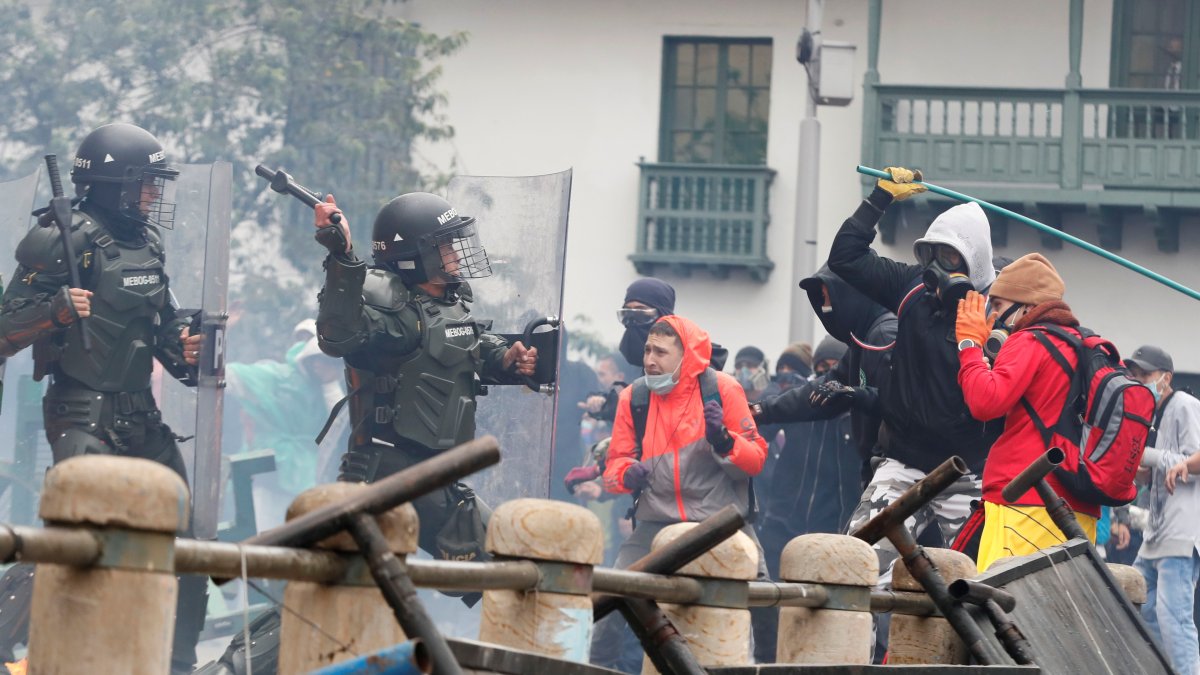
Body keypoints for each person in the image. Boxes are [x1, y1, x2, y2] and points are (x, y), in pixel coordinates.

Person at [0, 123, 206, 673]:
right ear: (115, 182)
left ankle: (180, 665)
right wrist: (55, 310)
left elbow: (158, 330)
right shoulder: (61, 237)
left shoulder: (149, 242)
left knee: (187, 548)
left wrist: (183, 347)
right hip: (80, 411)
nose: (153, 195)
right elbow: (2, 327)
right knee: (76, 539)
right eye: (145, 184)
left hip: (143, 415)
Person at [311, 191, 537, 566]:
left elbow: (468, 340)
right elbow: (339, 335)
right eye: (447, 245)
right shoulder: (394, 314)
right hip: (387, 474)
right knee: (509, 572)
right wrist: (342, 256)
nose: (457, 254)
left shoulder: (447, 303)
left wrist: (504, 357)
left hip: (434, 476)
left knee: (512, 570)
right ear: (418, 256)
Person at [827, 166, 1002, 576]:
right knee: (858, 565)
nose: (937, 266)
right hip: (902, 462)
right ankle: (862, 641)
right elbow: (844, 258)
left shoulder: (997, 311)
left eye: (951, 256)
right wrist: (878, 200)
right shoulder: (910, 287)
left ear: (975, 261)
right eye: (931, 253)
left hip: (968, 470)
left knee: (983, 578)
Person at [592, 315, 767, 673]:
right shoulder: (634, 397)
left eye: (660, 351)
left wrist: (724, 440)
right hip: (655, 523)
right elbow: (612, 472)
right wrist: (628, 473)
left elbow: (756, 461)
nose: (649, 359)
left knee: (758, 604)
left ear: (686, 355)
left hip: (720, 525)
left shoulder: (724, 389)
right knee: (605, 605)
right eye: (647, 350)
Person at [953, 253, 1099, 572]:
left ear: (1027, 307)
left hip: (1024, 500)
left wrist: (968, 346)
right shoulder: (1082, 345)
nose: (993, 317)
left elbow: (985, 401)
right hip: (1078, 506)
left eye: (999, 306)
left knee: (1007, 608)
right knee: (1061, 611)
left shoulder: (1030, 339)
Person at [1125, 345, 1200, 675]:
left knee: (1174, 618)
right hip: (1156, 529)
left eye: (1145, 375)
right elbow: (1154, 467)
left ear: (1166, 377)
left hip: (1182, 530)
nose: (1138, 380)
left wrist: (1148, 456)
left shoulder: (1185, 405)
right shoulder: (1150, 413)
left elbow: (1194, 457)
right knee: (1145, 611)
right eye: (1135, 374)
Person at [225, 334, 345, 529]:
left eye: (335, 364)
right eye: (323, 361)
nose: (325, 368)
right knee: (264, 532)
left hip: (309, 476)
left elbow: (339, 425)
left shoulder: (331, 390)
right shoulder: (281, 378)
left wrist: (329, 384)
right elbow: (233, 376)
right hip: (271, 469)